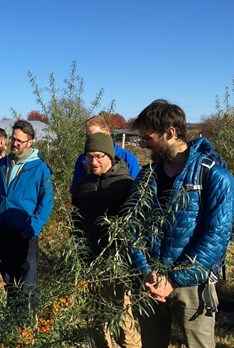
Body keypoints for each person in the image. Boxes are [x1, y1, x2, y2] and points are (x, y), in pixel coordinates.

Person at [127, 99, 234, 348]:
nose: (143, 144)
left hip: (193, 285)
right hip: (151, 281)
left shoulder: (214, 176)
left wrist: (174, 280)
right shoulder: (147, 176)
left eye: (148, 138)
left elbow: (217, 235)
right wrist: (145, 270)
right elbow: (132, 225)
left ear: (171, 133)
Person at [71, 133, 141, 348]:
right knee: (95, 316)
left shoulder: (125, 185)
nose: (93, 162)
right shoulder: (83, 184)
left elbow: (135, 226)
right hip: (89, 259)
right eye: (89, 157)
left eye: (99, 156)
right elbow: (76, 219)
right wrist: (76, 250)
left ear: (110, 155)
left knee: (121, 317)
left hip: (116, 262)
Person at [0, 120, 54, 309]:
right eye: (13, 139)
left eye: (20, 140)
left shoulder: (39, 168)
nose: (14, 143)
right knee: (8, 275)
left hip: (25, 232)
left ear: (30, 142)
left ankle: (28, 322)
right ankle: (13, 315)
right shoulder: (3, 164)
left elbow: (46, 202)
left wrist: (31, 228)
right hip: (2, 230)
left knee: (27, 279)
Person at [70, 115, 140, 193]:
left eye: (96, 135)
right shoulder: (82, 159)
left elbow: (135, 193)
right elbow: (75, 190)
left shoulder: (128, 158)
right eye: (88, 136)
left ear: (108, 133)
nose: (92, 140)